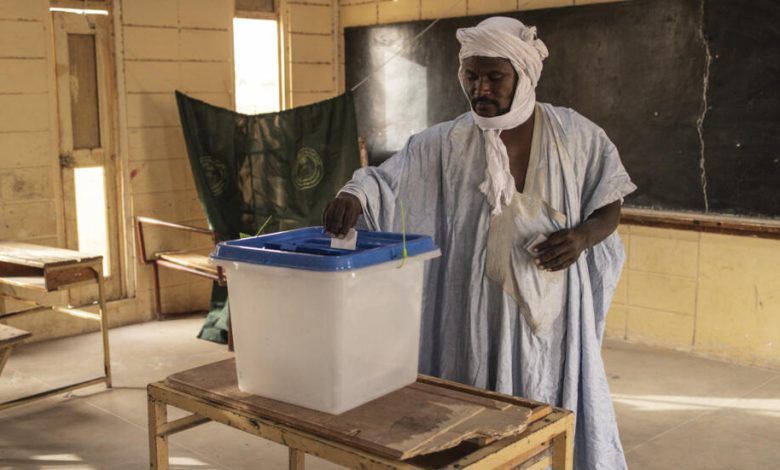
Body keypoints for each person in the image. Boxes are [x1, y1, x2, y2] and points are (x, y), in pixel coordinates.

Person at [323, 16, 635, 469]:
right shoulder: (445, 143)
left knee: (543, 413)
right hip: (471, 314)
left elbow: (610, 201)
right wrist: (353, 194)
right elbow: (384, 182)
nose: (481, 88)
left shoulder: (575, 135)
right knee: (471, 425)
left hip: (550, 319)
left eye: (495, 77)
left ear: (523, 75)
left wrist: (582, 237)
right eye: (472, 76)